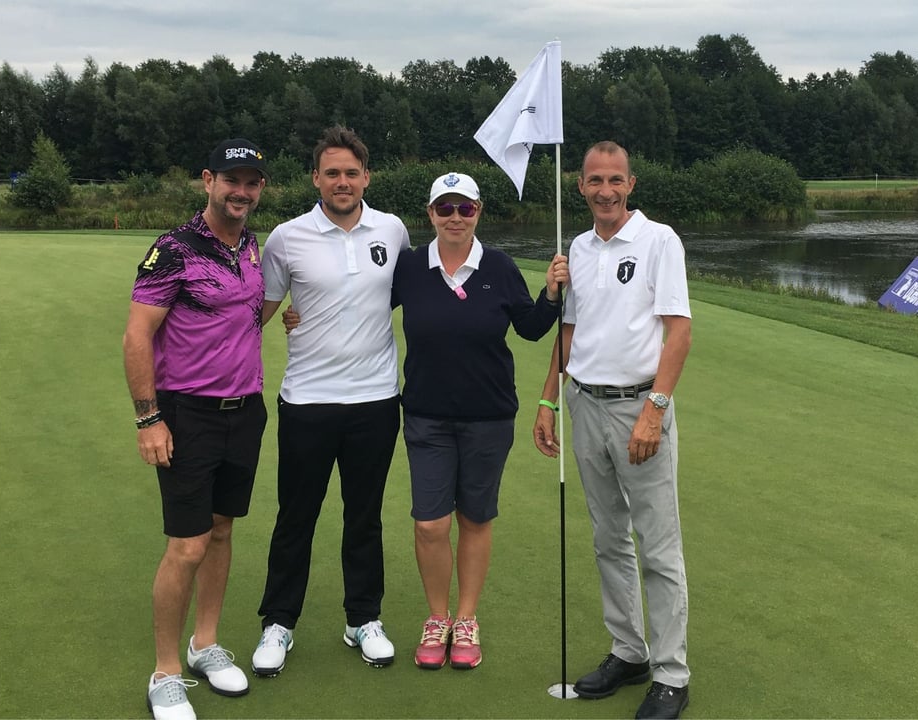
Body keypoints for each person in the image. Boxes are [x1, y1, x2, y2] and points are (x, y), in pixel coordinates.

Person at [532, 141, 693, 720]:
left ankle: (672, 673)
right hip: (586, 405)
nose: (605, 190)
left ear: (631, 184)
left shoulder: (658, 240)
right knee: (608, 539)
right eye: (595, 180)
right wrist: (549, 398)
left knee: (658, 545)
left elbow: (678, 331)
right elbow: (569, 335)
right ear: (580, 185)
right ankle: (629, 652)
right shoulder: (576, 247)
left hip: (637, 407)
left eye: (615, 180)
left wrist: (656, 408)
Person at [392, 172, 568, 670]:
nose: (454, 218)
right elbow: (362, 308)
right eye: (444, 209)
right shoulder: (409, 268)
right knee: (430, 523)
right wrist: (303, 315)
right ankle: (437, 617)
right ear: (430, 214)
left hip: (488, 416)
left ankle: (465, 620)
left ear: (478, 212)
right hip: (426, 414)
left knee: (474, 517)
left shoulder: (499, 266)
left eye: (464, 209)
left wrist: (551, 294)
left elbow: (532, 329)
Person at [251, 126, 410, 676]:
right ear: (315, 178)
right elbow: (261, 311)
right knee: (296, 516)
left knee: (363, 518)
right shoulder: (286, 237)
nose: (342, 182)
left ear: (367, 177)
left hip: (375, 400)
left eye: (352, 172)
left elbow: (412, 294)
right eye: (331, 173)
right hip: (307, 401)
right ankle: (278, 623)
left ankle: (362, 619)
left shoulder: (391, 229)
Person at [123, 139, 270, 720]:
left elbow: (246, 315)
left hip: (246, 411)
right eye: (232, 180)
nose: (242, 191)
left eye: (252, 182)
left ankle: (205, 643)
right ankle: (165, 673)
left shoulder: (252, 246)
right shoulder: (174, 250)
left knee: (222, 531)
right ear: (207, 180)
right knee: (186, 546)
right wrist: (148, 417)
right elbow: (137, 336)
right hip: (187, 414)